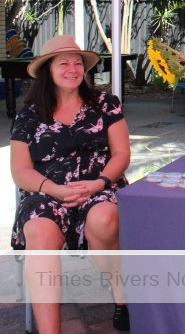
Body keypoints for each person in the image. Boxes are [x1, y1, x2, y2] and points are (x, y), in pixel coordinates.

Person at [10, 35, 131, 333]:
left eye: (78, 63)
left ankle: (120, 293)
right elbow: (20, 170)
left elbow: (121, 153)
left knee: (105, 218)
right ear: (48, 70)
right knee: (38, 229)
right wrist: (55, 190)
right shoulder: (29, 115)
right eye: (63, 63)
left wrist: (99, 182)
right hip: (48, 192)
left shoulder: (104, 103)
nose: (73, 68)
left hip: (100, 186)